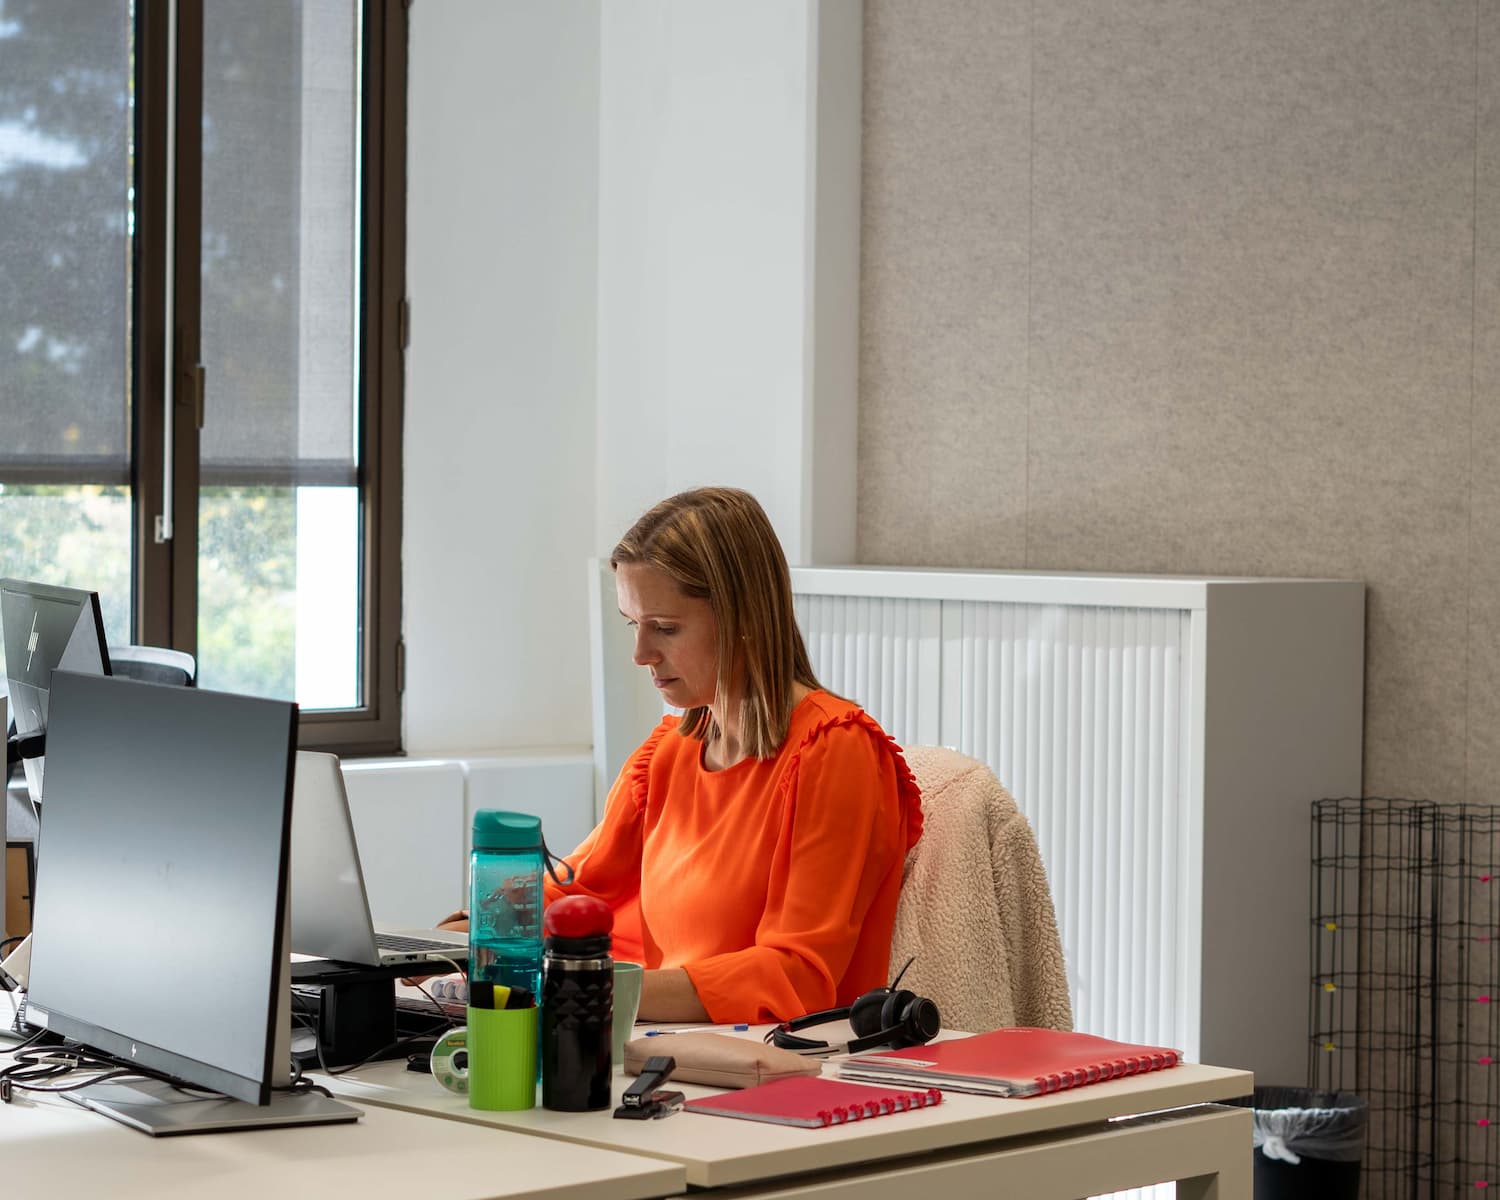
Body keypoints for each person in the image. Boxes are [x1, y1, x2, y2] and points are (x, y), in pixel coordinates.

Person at [445, 487, 923, 1024]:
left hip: (777, 1063)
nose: (640, 654)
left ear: (744, 617)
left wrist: (582, 990)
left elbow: (796, 974)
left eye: (666, 629)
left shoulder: (835, 751)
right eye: (634, 624)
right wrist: (428, 951)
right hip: (667, 1048)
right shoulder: (667, 756)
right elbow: (571, 891)